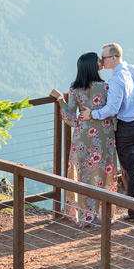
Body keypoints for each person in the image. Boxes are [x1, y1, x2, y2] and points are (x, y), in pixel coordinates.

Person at [79, 43, 134, 221]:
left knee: (129, 171)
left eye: (103, 58)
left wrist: (91, 114)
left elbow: (112, 109)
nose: (101, 61)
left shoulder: (116, 80)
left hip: (128, 128)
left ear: (114, 58)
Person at [51, 52, 119, 228]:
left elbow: (70, 118)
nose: (100, 62)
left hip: (82, 137)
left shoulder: (74, 90)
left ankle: (84, 215)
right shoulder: (106, 87)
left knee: (83, 175)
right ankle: (103, 215)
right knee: (103, 172)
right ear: (94, 66)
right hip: (104, 136)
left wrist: (60, 99)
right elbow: (114, 112)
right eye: (98, 60)